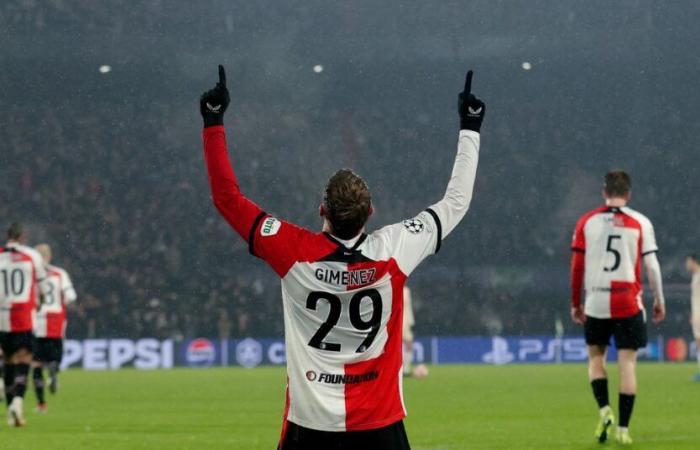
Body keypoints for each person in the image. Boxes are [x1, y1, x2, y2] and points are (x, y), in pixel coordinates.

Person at [199, 65, 485, 450]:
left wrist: (213, 121)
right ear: (371, 212)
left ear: (322, 211)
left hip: (311, 426)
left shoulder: (292, 251)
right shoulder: (395, 249)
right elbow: (456, 201)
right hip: (380, 426)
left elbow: (227, 199)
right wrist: (470, 127)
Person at [570, 171, 665, 445]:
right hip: (627, 301)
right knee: (628, 363)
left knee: (595, 358)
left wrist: (576, 303)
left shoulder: (586, 222)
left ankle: (604, 409)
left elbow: (577, 267)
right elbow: (652, 267)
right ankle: (623, 429)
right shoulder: (640, 223)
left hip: (597, 300)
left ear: (604, 191)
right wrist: (659, 300)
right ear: (629, 193)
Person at [0, 223, 49, 426]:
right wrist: (40, 305)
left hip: (2, 315)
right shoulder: (32, 256)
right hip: (24, 315)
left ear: (7, 236)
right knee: (24, 359)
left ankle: (10, 405)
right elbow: (43, 288)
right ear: (23, 236)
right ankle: (17, 402)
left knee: (9, 360)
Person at [32, 244, 77, 412]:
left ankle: (41, 404)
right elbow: (71, 296)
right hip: (56, 320)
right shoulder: (60, 273)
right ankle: (54, 369)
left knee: (35, 364)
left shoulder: (33, 275)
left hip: (36, 319)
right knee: (55, 355)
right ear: (49, 257)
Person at [686, 254, 700, 381]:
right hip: (697, 314)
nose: (687, 264)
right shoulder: (695, 276)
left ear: (693, 261)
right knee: (698, 343)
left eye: (688, 261)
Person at [402, 286, 415, 377]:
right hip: (396, 321)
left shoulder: (406, 290)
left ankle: (406, 369)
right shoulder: (394, 287)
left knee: (409, 344)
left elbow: (408, 307)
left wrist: (411, 322)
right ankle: (400, 369)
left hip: (405, 322)